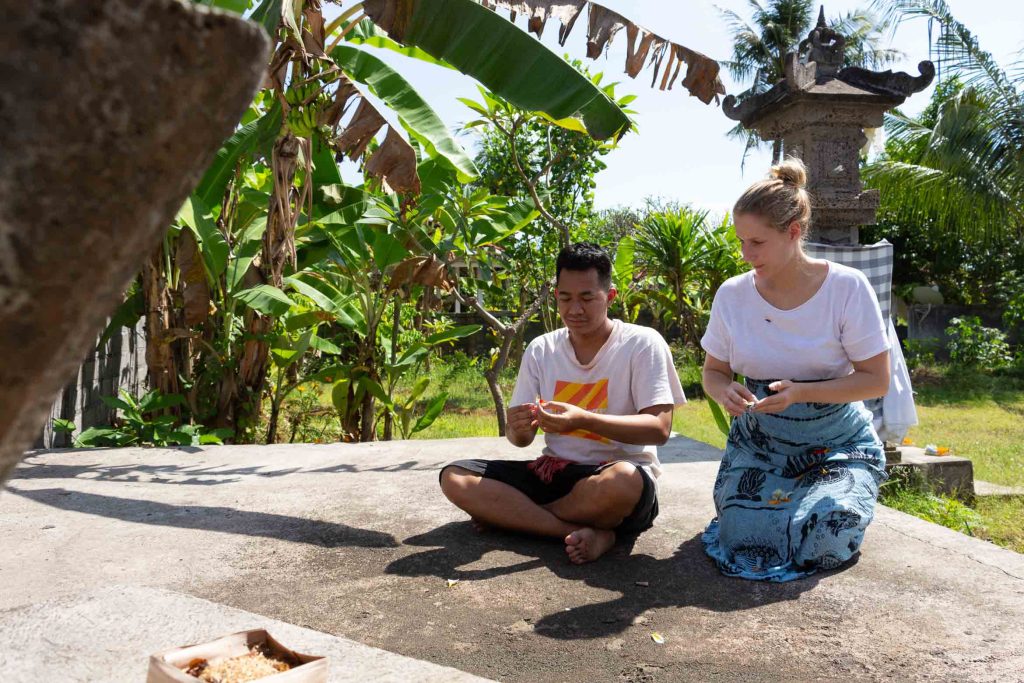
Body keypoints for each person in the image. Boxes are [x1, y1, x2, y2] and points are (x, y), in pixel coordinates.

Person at [700, 158, 891, 581]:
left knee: (826, 537)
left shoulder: (846, 288)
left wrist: (802, 392)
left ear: (792, 233)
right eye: (741, 242)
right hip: (761, 443)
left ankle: (835, 503)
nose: (746, 254)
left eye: (757, 243)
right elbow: (712, 371)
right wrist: (723, 390)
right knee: (747, 542)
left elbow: (876, 379)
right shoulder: (732, 295)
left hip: (837, 442)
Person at [439, 242, 686, 564]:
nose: (574, 310)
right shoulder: (541, 348)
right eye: (565, 298)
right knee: (455, 477)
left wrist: (583, 420)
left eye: (587, 298)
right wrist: (520, 430)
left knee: (623, 481)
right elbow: (520, 440)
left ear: (610, 297)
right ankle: (590, 533)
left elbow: (659, 429)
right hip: (553, 474)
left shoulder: (642, 343)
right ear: (556, 295)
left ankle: (517, 519)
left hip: (612, 477)